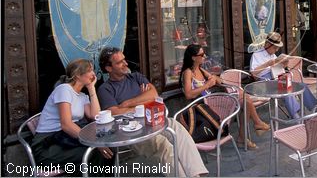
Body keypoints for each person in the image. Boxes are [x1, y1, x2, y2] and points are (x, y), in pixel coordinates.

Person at [97, 47, 208, 177]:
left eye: (124, 60)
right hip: (133, 132)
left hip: (154, 120)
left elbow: (154, 94)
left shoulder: (135, 76)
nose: (126, 63)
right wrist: (144, 102)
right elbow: (114, 112)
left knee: (179, 130)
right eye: (120, 62)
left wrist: (126, 104)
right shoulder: (105, 89)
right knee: (163, 146)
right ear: (109, 68)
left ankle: (196, 174)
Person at [180, 44, 270, 149]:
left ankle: (246, 134)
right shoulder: (188, 72)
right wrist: (207, 85)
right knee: (244, 99)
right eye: (202, 54)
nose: (205, 56)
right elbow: (188, 94)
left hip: (211, 102)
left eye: (204, 53)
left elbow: (219, 81)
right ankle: (254, 126)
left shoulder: (200, 69)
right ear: (193, 57)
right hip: (202, 108)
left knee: (245, 101)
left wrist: (215, 78)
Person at [31, 59, 113, 173]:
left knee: (109, 151)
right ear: (78, 75)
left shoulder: (82, 96)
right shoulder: (64, 89)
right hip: (48, 145)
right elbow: (66, 125)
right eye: (89, 70)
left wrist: (91, 88)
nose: (93, 74)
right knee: (95, 153)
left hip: (67, 139)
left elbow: (95, 116)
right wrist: (94, 142)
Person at [250, 32, 317, 119]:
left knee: (301, 85)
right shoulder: (256, 55)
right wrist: (268, 64)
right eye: (275, 48)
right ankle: (296, 116)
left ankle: (315, 109)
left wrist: (284, 65)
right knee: (285, 89)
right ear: (267, 45)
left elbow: (278, 69)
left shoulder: (273, 55)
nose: (276, 50)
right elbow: (253, 74)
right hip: (264, 82)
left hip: (277, 77)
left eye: (277, 48)